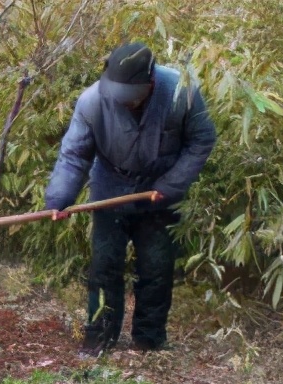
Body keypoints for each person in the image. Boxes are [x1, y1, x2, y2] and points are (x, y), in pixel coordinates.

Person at [44, 42, 216, 355]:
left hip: (159, 193)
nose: (123, 103)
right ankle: (100, 338)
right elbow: (74, 155)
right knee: (105, 266)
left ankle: (149, 341)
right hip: (110, 190)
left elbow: (201, 140)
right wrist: (60, 199)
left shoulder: (182, 92)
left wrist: (172, 184)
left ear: (150, 85)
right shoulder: (93, 101)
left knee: (156, 268)